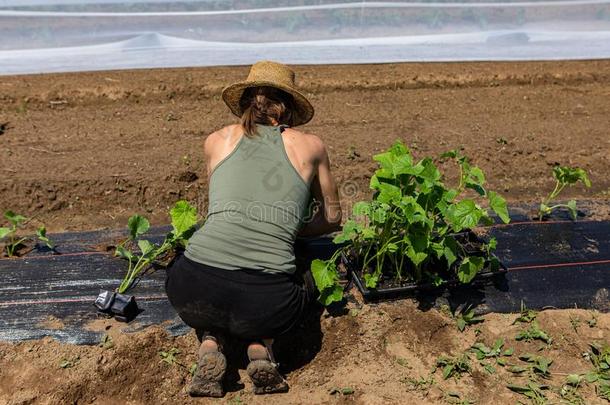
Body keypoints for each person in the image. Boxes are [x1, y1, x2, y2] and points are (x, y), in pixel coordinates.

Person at [165, 60, 342, 397]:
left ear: (245, 101)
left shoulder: (216, 141)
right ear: (288, 107)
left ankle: (210, 344)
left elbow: (221, 209)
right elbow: (332, 218)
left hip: (193, 289)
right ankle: (261, 348)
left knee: (210, 284)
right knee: (299, 274)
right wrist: (290, 231)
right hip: (267, 302)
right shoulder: (311, 146)